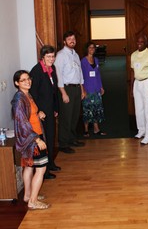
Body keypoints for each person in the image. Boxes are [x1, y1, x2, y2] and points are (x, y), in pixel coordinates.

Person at [11, 70, 50, 210]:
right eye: (23, 80)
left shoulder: (26, 95)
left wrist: (38, 113)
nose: (27, 81)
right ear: (17, 83)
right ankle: (33, 201)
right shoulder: (19, 100)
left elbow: (30, 114)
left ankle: (28, 195)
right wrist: (37, 140)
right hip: (32, 139)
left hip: (31, 137)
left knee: (29, 167)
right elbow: (23, 123)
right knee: (41, 169)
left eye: (28, 79)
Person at [30, 45, 60, 180]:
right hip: (41, 112)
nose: (51, 59)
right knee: (44, 139)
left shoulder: (51, 69)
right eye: (49, 56)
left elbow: (54, 92)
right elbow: (33, 94)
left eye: (53, 56)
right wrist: (38, 111)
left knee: (51, 136)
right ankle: (45, 171)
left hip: (50, 109)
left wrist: (55, 108)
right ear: (42, 57)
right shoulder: (36, 71)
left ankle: (51, 163)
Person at [54, 31, 86, 153]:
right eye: (69, 39)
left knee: (74, 116)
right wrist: (63, 93)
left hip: (77, 88)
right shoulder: (61, 55)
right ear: (64, 41)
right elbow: (58, 75)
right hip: (66, 89)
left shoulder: (76, 55)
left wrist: (82, 89)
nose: (72, 40)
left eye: (73, 38)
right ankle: (63, 144)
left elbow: (80, 73)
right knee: (66, 117)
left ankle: (72, 139)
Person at [130, 34, 148, 145]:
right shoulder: (133, 55)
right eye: (138, 42)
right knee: (139, 109)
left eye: (142, 42)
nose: (139, 43)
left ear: (146, 43)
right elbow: (132, 71)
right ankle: (141, 130)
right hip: (137, 83)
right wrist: (132, 87)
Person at [81, 41, 106, 137]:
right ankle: (86, 130)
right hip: (87, 89)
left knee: (97, 109)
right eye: (90, 47)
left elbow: (98, 74)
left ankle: (96, 129)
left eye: (93, 48)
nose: (92, 49)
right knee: (87, 109)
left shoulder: (96, 59)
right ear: (87, 49)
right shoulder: (83, 61)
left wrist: (101, 86)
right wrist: (83, 90)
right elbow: (81, 76)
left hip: (96, 88)